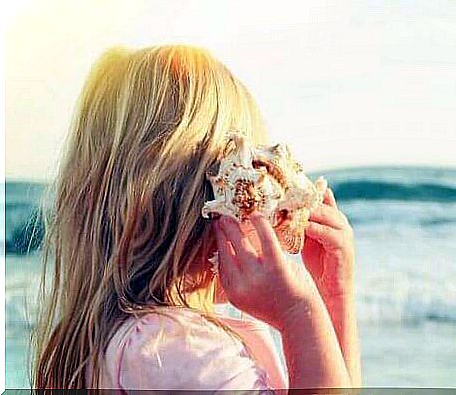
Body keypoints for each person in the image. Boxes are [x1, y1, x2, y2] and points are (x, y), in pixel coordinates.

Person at [32, 45, 361, 391]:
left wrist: (333, 301)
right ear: (209, 198)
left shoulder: (148, 342)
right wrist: (299, 315)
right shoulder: (177, 352)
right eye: (251, 169)